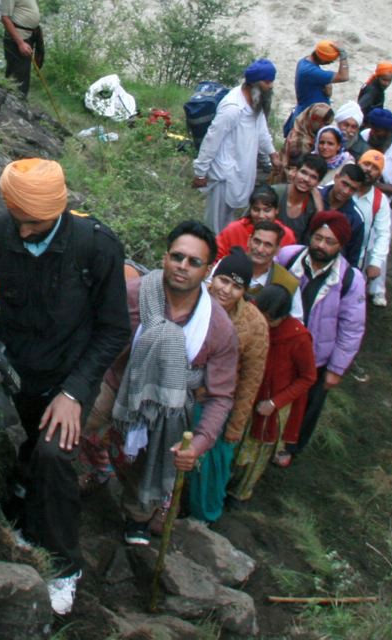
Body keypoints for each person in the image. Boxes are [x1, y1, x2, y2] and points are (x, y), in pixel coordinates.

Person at [0, 158, 129, 614]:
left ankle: (64, 563)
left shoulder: (97, 247)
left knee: (54, 455)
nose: (26, 232)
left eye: (35, 224)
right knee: (18, 441)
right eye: (20, 221)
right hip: (15, 368)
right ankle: (16, 503)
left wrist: (74, 394)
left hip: (69, 374)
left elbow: (114, 330)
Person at [84, 222, 238, 546]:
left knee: (157, 452)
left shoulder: (218, 328)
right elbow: (93, 334)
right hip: (117, 381)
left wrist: (200, 442)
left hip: (172, 402)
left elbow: (221, 395)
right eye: (177, 257)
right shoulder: (134, 295)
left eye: (194, 262)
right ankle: (61, 475)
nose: (183, 266)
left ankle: (138, 517)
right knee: (78, 416)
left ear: (207, 270)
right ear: (165, 257)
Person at [271, 211, 366, 465]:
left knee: (307, 404)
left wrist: (336, 368)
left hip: (316, 356)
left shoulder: (350, 280)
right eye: (318, 238)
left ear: (340, 245)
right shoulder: (288, 257)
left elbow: (352, 328)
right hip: (280, 345)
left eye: (329, 242)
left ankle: (290, 446)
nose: (321, 246)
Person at [188, 251, 269, 524]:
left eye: (236, 286)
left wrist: (235, 426)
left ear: (244, 290)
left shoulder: (254, 324)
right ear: (213, 276)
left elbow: (250, 379)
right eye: (223, 281)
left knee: (210, 465)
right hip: (178, 393)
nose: (226, 290)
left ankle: (203, 517)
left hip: (215, 404)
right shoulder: (192, 300)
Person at [230, 284, 316, 502]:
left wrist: (276, 402)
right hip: (246, 395)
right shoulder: (249, 321)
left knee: (258, 451)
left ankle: (241, 493)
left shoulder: (298, 338)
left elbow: (308, 377)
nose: (264, 325)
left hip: (271, 405)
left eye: (270, 320)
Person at [191, 59, 278, 232]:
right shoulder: (232, 108)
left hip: (242, 172)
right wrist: (200, 172)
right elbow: (211, 140)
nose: (271, 86)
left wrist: (273, 154)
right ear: (255, 83)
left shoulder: (256, 101)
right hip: (225, 175)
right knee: (215, 226)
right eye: (268, 82)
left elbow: (261, 130)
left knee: (230, 224)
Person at [0, 0, 44, 98]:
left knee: (23, 74)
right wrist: (20, 43)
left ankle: (15, 102)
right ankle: (15, 106)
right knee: (18, 77)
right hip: (18, 38)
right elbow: (5, 17)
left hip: (29, 35)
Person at [351, 151, 392, 307]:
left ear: (379, 174)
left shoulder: (380, 200)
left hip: (359, 258)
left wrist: (376, 263)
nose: (369, 169)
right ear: (358, 164)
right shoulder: (341, 185)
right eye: (366, 164)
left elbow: (383, 234)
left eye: (375, 167)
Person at [213, 188, 295, 263]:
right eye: (256, 209)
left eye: (267, 210)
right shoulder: (233, 230)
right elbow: (215, 259)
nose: (261, 215)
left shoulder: (287, 235)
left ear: (276, 210)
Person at [283, 40, 348, 135]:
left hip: (310, 116)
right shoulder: (310, 72)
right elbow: (344, 76)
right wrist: (343, 55)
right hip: (308, 122)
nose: (330, 63)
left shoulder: (305, 62)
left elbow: (327, 88)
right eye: (330, 61)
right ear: (322, 59)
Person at [318, 162, 368, 270]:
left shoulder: (356, 219)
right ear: (336, 177)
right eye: (344, 184)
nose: (346, 191)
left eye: (352, 189)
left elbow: (352, 258)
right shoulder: (315, 194)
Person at [272, 154, 327, 243]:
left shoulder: (312, 207)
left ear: (318, 183)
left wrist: (319, 210)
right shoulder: (275, 193)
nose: (306, 179)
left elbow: (312, 240)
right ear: (295, 172)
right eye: (303, 172)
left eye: (313, 177)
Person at [243, 219, 300, 301]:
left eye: (268, 245)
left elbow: (294, 314)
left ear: (277, 250)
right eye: (257, 241)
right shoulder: (229, 265)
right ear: (249, 241)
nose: (260, 249)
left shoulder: (288, 284)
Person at [276, 102, 333, 181]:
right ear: (312, 119)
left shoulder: (302, 130)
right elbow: (297, 171)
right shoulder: (300, 143)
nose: (324, 127)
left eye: (327, 124)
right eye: (322, 123)